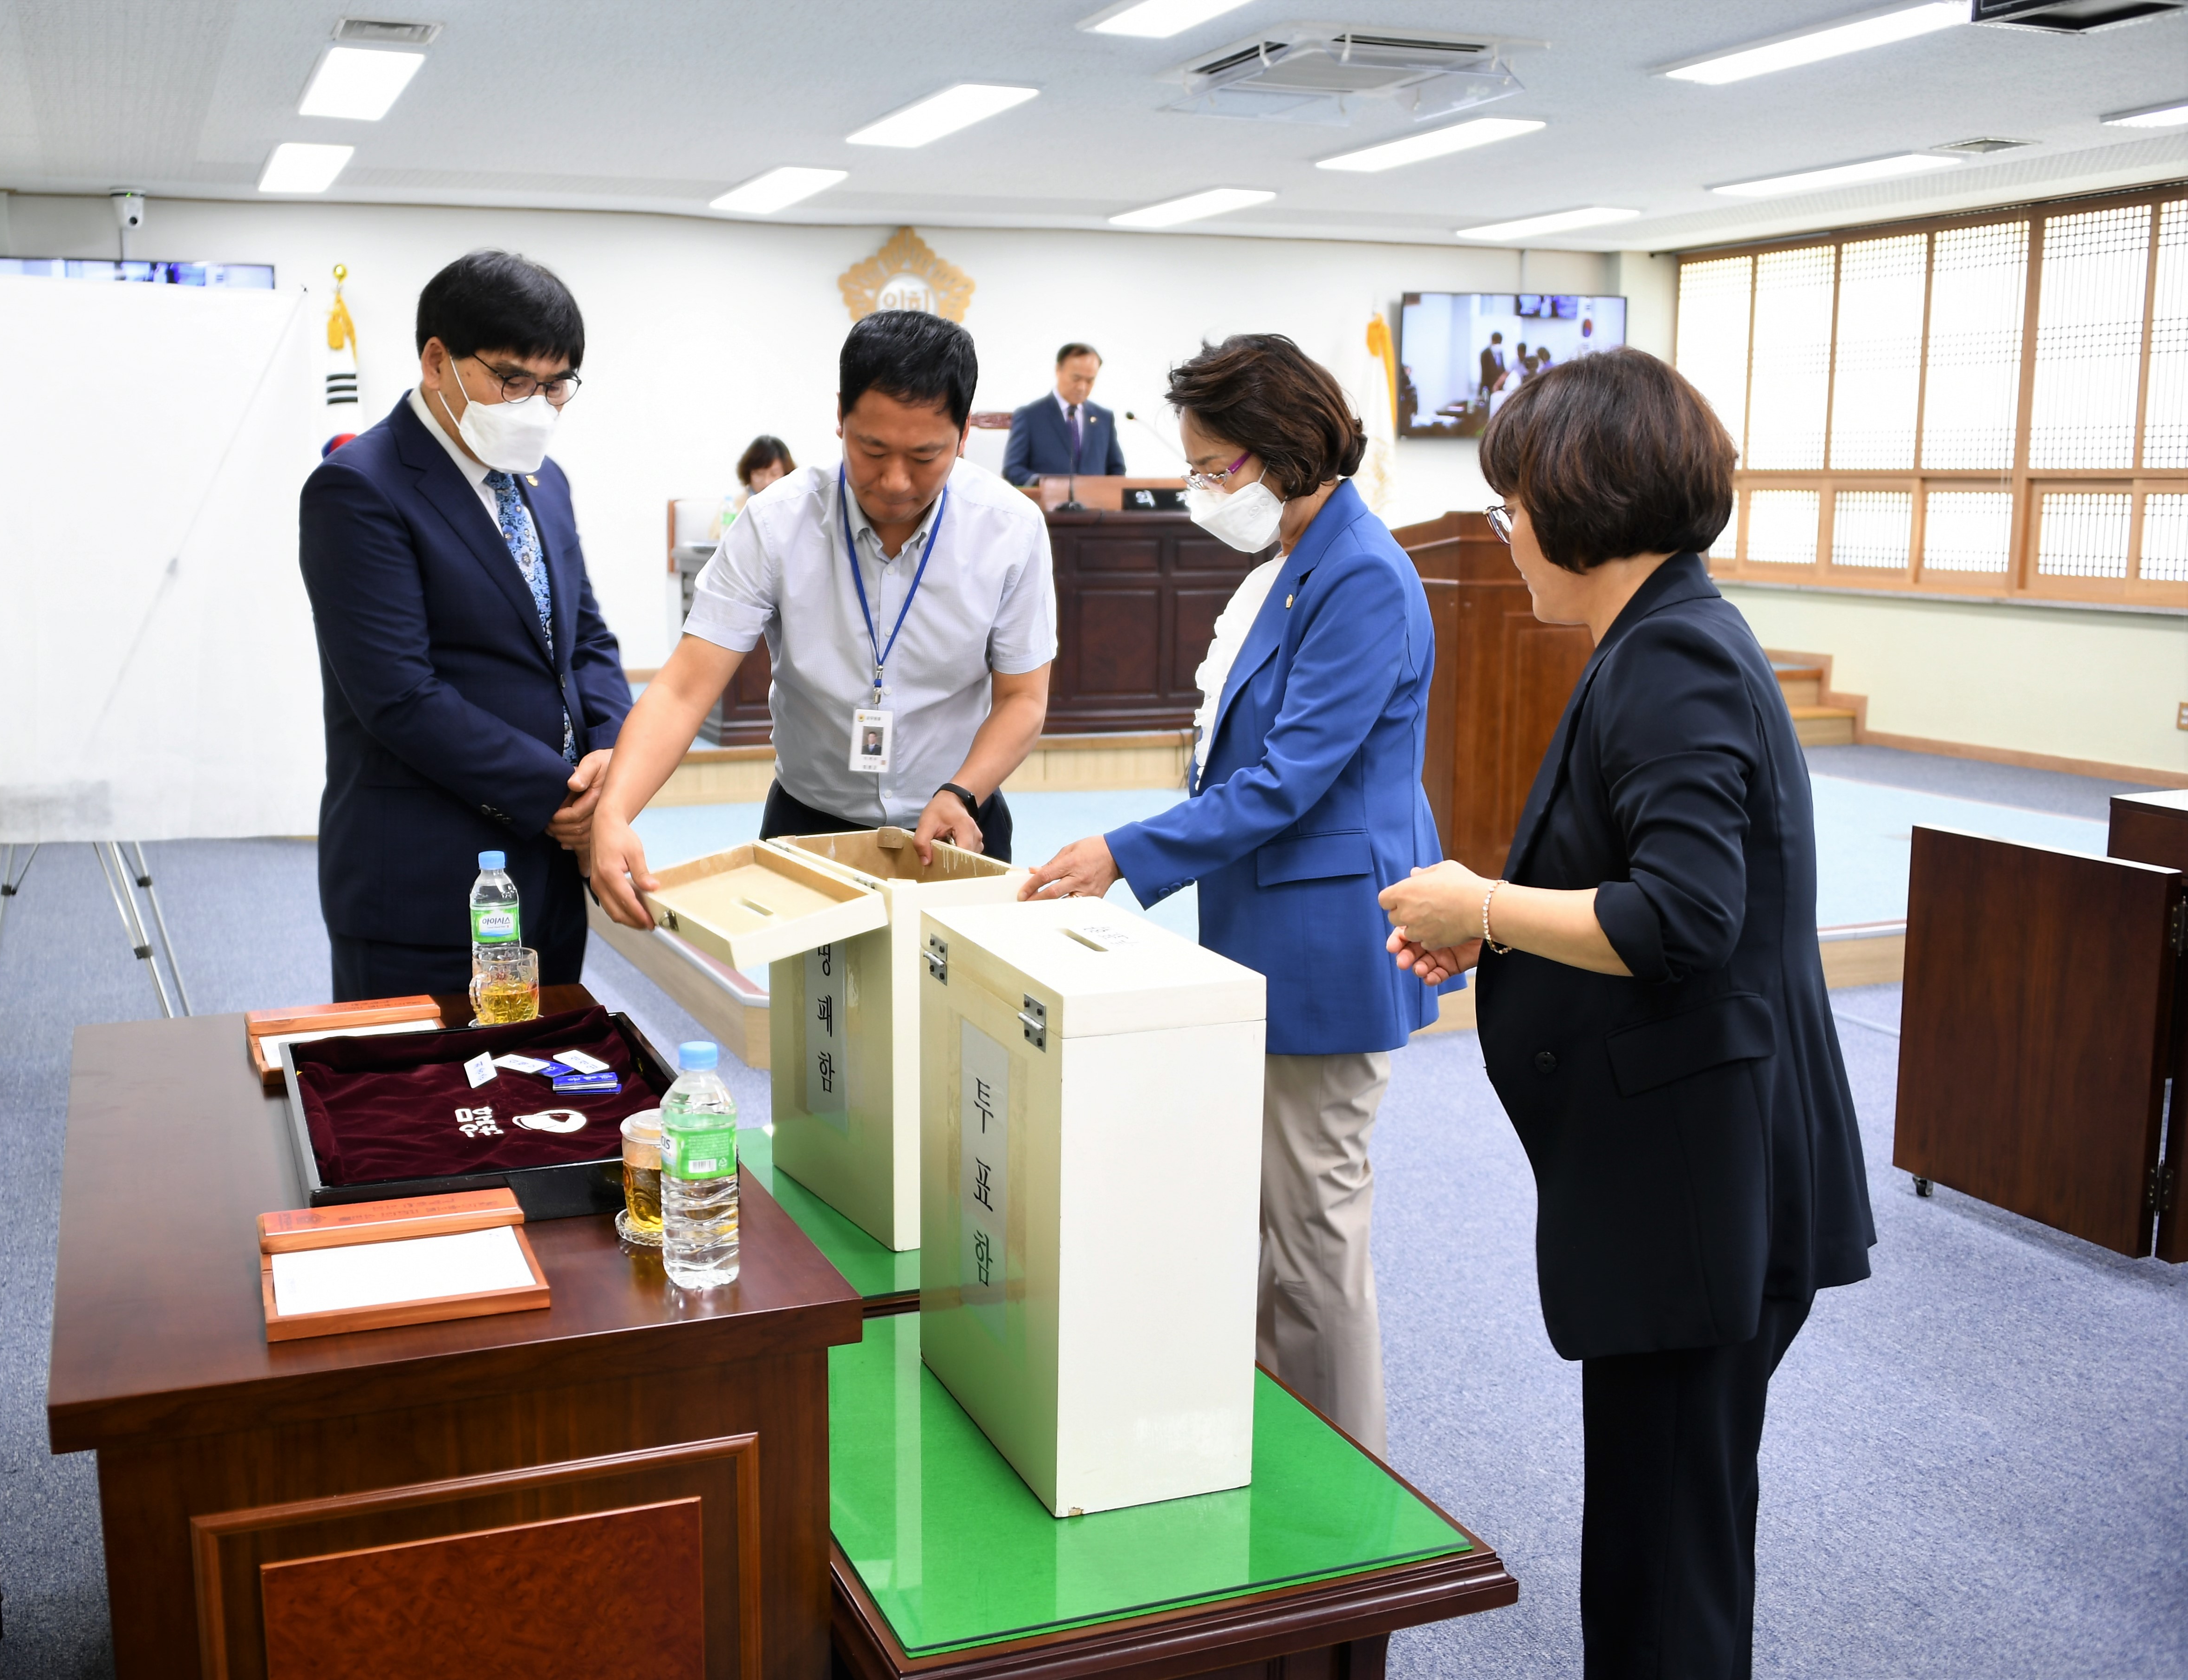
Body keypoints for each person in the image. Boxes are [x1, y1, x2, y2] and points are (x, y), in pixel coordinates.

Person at [1377, 347, 1875, 1679]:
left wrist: (1481, 905)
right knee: (1668, 1530)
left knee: (1668, 1560)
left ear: (1577, 501)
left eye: (1509, 506)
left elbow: (1681, 916)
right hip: (1692, 1165)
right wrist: (1492, 930)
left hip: (1701, 1181)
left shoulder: (1673, 660)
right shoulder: (1659, 637)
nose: (1506, 536)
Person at [1017, 333, 1447, 1456]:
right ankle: (1274, 1447)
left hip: (1331, 943)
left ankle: (1352, 1498)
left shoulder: (1360, 575)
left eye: (1214, 469)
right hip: (1270, 928)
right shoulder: (1296, 562)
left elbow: (1289, 780)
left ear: (1283, 452)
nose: (1200, 490)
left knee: (1313, 1241)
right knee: (1263, 1233)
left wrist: (1125, 851)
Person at [592, 309, 1055, 916]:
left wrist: (962, 790)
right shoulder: (776, 522)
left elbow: (1022, 697)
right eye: (872, 449)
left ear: (964, 435)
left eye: (924, 456)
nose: (894, 481)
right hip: (807, 824)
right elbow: (683, 688)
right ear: (839, 418)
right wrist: (614, 811)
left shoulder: (1009, 529)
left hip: (955, 823)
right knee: (819, 1013)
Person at [298, 250, 631, 999]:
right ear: (437, 359)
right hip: (425, 879)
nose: (534, 406)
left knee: (535, 1097)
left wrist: (615, 756)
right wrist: (559, 796)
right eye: (511, 380)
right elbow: (398, 695)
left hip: (547, 871)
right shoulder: (358, 488)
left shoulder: (545, 482)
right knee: (419, 1107)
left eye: (555, 385)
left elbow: (582, 640)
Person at [1003, 341, 1125, 482]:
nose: (1082, 387)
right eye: (1076, 379)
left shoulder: (1104, 418)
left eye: (1090, 381)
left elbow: (1117, 469)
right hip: (1046, 502)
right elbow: (1013, 469)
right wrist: (1045, 485)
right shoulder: (1029, 416)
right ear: (1058, 370)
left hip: (1096, 503)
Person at [710, 434, 796, 539]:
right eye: (760, 474)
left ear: (786, 474)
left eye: (774, 474)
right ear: (748, 474)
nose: (767, 482)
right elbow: (716, 539)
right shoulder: (731, 506)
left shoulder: (796, 505)